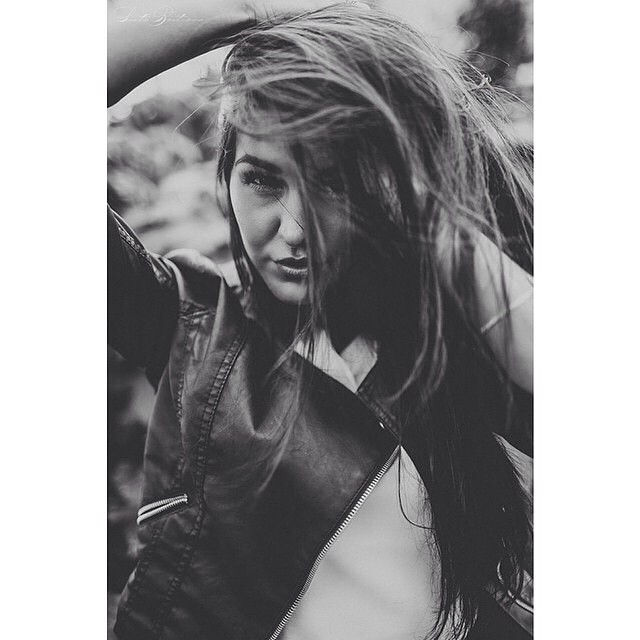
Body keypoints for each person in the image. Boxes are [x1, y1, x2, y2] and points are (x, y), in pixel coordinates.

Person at [107, 2, 533, 639]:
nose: (295, 229)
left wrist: (436, 220)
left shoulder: (455, 341)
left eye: (334, 182)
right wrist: (249, 10)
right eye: (262, 179)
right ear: (226, 178)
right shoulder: (189, 325)